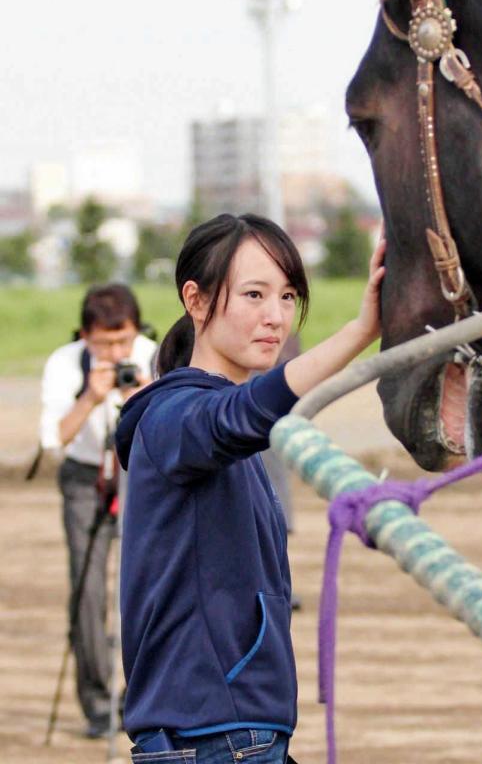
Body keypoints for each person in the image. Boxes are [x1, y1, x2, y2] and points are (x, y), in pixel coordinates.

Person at [115, 212, 384, 763]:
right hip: (212, 736)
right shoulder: (174, 416)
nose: (275, 317)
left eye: (287, 297)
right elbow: (242, 414)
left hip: (238, 732)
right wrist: (361, 332)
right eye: (254, 295)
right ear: (196, 300)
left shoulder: (210, 419)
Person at [39, 283, 157, 739]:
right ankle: (95, 703)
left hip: (138, 476)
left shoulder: (151, 354)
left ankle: (139, 700)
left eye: (123, 340)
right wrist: (90, 396)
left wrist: (146, 395)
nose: (115, 351)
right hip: (84, 478)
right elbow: (54, 441)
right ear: (85, 335)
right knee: (87, 591)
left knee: (144, 586)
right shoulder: (63, 363)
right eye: (104, 343)